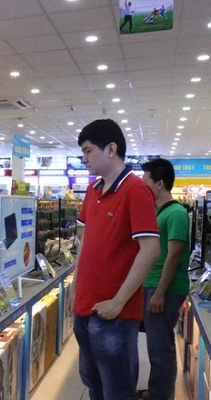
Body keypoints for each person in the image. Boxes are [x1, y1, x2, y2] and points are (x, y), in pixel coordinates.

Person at [71, 119, 160, 400]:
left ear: (111, 149)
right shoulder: (93, 190)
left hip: (115, 314)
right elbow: (85, 242)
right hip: (84, 308)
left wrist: (119, 301)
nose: (84, 158)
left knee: (117, 390)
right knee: (92, 382)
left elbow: (150, 249)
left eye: (88, 151)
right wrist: (75, 285)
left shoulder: (136, 190)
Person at [140, 158, 190, 400]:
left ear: (159, 183)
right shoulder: (158, 211)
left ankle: (161, 396)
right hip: (152, 285)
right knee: (156, 345)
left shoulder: (177, 214)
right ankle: (157, 391)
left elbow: (173, 256)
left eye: (146, 181)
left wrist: (159, 293)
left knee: (161, 348)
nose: (143, 186)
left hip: (164, 289)